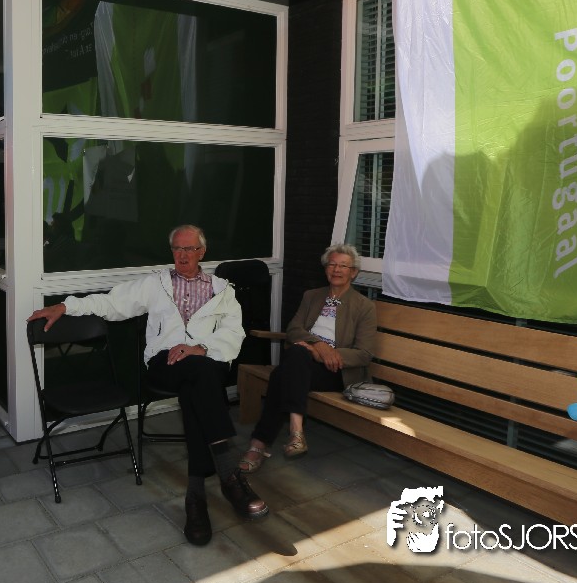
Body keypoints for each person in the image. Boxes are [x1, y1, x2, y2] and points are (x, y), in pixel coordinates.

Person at [28, 224, 267, 547]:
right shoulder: (156, 284)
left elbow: (234, 333)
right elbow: (111, 304)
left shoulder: (222, 290)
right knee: (203, 378)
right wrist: (66, 306)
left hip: (204, 362)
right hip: (164, 364)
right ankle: (228, 475)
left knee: (196, 385)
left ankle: (195, 497)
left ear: (202, 252)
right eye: (177, 249)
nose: (182, 255)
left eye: (189, 249)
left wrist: (200, 348)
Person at [240, 243, 377, 470]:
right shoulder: (312, 296)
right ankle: (295, 431)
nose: (336, 269)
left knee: (282, 374)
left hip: (335, 371)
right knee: (294, 359)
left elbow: (364, 354)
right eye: (332, 264)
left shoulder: (364, 306)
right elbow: (294, 329)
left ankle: (259, 444)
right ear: (325, 269)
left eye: (343, 266)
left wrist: (324, 353)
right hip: (303, 363)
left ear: (353, 272)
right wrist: (318, 345)